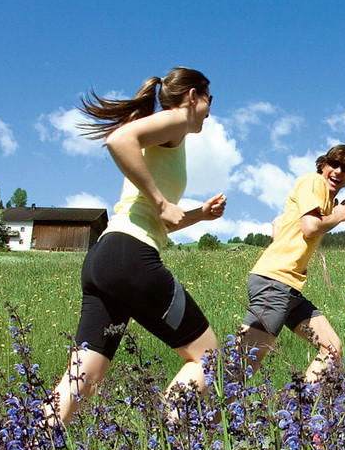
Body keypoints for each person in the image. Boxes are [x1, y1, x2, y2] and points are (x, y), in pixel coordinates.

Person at [49, 67, 226, 425]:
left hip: (105, 257)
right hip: (130, 256)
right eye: (210, 98)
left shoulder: (170, 137)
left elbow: (161, 221)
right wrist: (161, 202)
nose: (210, 108)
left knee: (83, 378)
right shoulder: (176, 119)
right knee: (209, 359)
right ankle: (165, 446)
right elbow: (119, 140)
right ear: (192, 96)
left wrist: (199, 215)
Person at [240, 144, 345, 381]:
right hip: (274, 281)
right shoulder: (314, 182)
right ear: (323, 165)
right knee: (244, 362)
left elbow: (282, 225)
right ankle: (200, 403)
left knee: (331, 349)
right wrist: (339, 216)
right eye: (334, 164)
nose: (338, 171)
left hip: (289, 287)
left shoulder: (322, 199)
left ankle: (304, 404)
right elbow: (310, 227)